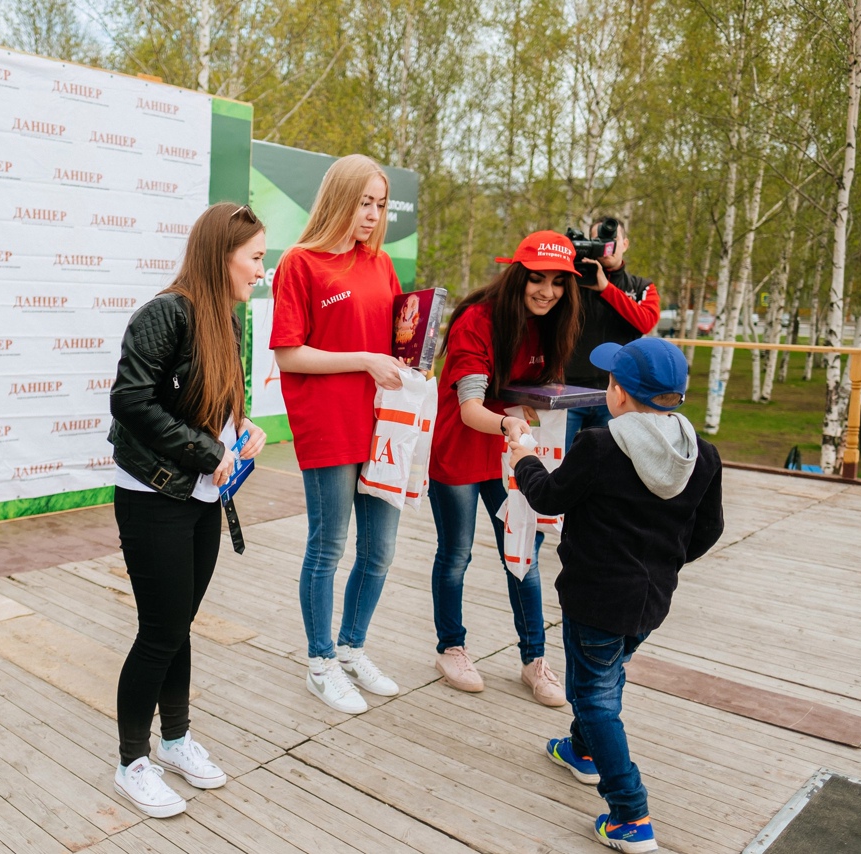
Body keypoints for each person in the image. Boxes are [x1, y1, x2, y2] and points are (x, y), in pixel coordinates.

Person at [509, 336, 723, 853]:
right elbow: (709, 529)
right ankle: (582, 751)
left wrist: (524, 456)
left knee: (594, 696)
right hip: (652, 600)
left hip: (595, 599)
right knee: (605, 673)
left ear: (620, 393)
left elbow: (548, 497)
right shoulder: (703, 454)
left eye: (609, 381)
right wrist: (664, 563)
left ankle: (631, 813)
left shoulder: (600, 446)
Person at [107, 202, 268, 818]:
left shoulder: (227, 320)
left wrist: (242, 428)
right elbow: (131, 401)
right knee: (160, 631)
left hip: (201, 496)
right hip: (153, 496)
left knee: (178, 626)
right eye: (255, 258)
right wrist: (206, 451)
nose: (261, 271)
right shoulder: (165, 313)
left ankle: (174, 741)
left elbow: (217, 404)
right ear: (220, 255)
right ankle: (132, 762)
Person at [270, 154, 408, 715]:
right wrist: (365, 360)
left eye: (380, 204)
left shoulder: (382, 264)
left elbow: (395, 345)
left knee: (380, 551)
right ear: (338, 201)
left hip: (384, 425)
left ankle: (352, 649)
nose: (373, 215)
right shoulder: (300, 262)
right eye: (363, 202)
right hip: (329, 423)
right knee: (328, 547)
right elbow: (289, 353)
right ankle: (321, 662)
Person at [428, 231, 581, 707]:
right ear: (518, 276)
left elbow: (532, 391)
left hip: (508, 454)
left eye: (558, 282)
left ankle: (534, 659)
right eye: (538, 279)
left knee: (523, 555)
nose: (547, 291)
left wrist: (534, 409)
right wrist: (510, 422)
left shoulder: (553, 323)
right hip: (460, 449)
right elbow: (471, 408)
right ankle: (451, 648)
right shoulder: (477, 319)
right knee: (456, 555)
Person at [562, 218, 660, 443]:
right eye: (599, 240)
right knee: (560, 460)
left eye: (612, 239)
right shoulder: (572, 281)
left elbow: (645, 322)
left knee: (606, 460)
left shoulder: (641, 286)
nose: (607, 246)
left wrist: (605, 288)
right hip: (568, 390)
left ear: (625, 244)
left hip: (618, 394)